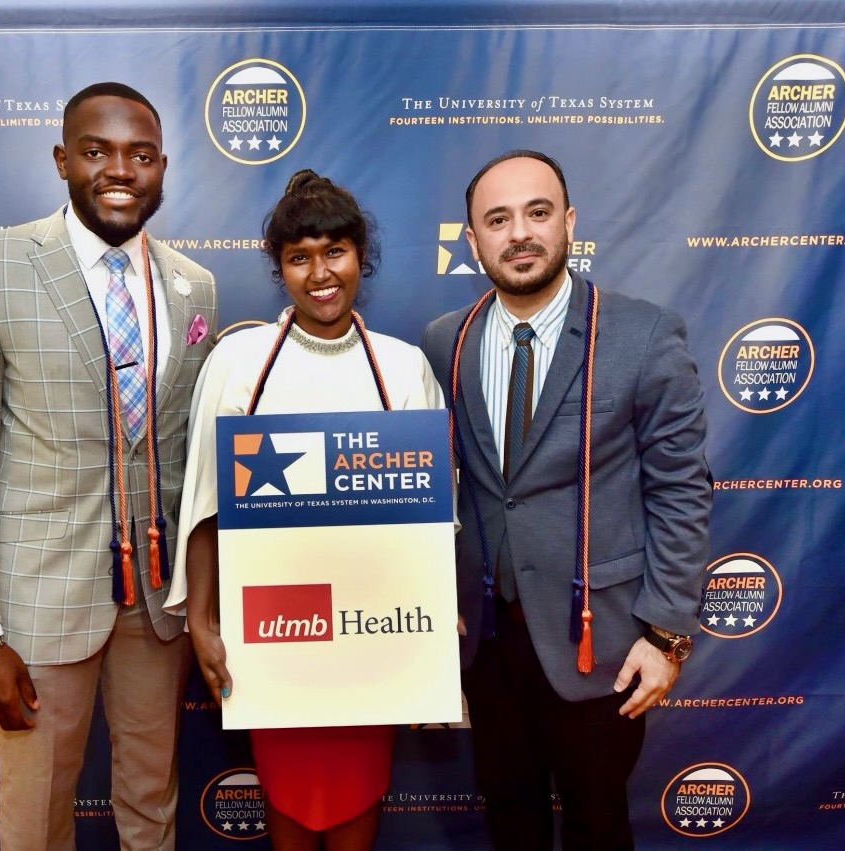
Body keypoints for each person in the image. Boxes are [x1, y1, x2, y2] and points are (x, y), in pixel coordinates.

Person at [0, 81, 217, 851]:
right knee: (36, 814)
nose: (119, 170)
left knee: (152, 800)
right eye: (97, 151)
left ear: (162, 167)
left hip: (157, 603)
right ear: (63, 160)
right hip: (38, 605)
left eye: (140, 155)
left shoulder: (194, 285)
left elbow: (186, 454)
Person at [421, 150, 711, 850]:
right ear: (473, 240)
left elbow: (680, 489)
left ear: (570, 222)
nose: (519, 232)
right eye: (498, 220)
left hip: (599, 640)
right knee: (509, 817)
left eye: (538, 212)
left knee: (597, 823)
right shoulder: (444, 342)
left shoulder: (641, 334)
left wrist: (665, 635)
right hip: (486, 640)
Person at [165, 169, 444, 850]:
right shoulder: (239, 362)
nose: (320, 274)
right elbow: (205, 503)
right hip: (273, 629)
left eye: (334, 252)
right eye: (299, 257)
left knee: (358, 794)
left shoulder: (403, 367)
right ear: (280, 269)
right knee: (288, 796)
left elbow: (435, 521)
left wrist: (433, 634)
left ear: (360, 257)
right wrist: (201, 620)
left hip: (373, 630)